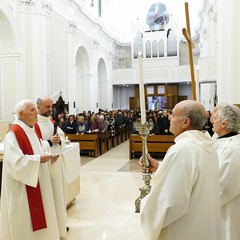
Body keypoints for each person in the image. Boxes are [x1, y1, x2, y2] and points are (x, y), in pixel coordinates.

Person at [140, 100, 221, 240]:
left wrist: (145, 205)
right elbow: (193, 180)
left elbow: (170, 203)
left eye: (173, 114)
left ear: (185, 122)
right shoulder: (208, 146)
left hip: (185, 230)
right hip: (202, 226)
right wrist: (160, 168)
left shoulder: (183, 149)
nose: (169, 118)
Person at [0, 99, 60, 240]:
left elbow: (40, 147)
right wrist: (38, 159)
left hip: (39, 181)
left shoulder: (32, 128)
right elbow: (15, 164)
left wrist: (49, 157)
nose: (36, 113)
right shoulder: (14, 133)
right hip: (23, 186)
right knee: (26, 220)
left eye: (36, 109)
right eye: (32, 110)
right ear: (21, 113)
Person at [35, 96, 68, 239]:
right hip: (44, 167)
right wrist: (49, 142)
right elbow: (34, 144)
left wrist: (59, 141)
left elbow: (61, 137)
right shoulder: (33, 123)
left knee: (58, 195)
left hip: (56, 164)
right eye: (47, 107)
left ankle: (60, 225)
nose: (50, 110)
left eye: (51, 106)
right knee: (47, 198)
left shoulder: (51, 122)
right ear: (38, 107)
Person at [211, 103, 240, 240]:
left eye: (215, 118)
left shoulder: (232, 148)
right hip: (217, 207)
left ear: (224, 123)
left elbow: (225, 188)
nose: (212, 121)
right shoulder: (219, 142)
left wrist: (203, 202)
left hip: (226, 208)